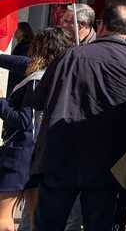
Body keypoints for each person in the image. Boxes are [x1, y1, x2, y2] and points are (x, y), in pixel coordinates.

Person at [33, 5, 126, 231]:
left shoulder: (70, 56)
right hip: (108, 160)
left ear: (101, 25)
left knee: (49, 223)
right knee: (100, 223)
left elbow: (40, 99)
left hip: (61, 154)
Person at [0, 28, 71, 231]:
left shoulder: (36, 80)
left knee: (4, 218)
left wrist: (1, 103)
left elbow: (24, 121)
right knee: (36, 218)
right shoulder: (59, 75)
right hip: (43, 152)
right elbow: (17, 63)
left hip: (21, 153)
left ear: (39, 48)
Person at [7, 22, 35, 90]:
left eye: (17, 29)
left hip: (17, 80)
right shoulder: (22, 45)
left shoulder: (25, 46)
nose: (15, 32)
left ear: (23, 31)